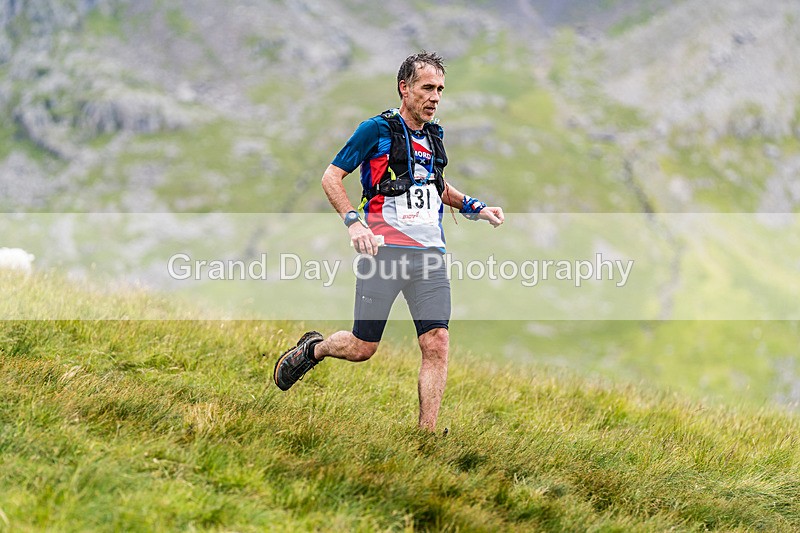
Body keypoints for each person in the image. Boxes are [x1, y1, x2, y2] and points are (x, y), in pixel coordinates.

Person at [273, 51, 504, 431]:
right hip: (384, 253)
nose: (435, 97)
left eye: (441, 89)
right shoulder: (375, 130)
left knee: (437, 343)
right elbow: (331, 178)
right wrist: (354, 223)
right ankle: (313, 349)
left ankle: (426, 437)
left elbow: (434, 185)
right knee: (363, 348)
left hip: (430, 256)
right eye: (427, 88)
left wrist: (476, 207)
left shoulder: (434, 136)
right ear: (404, 87)